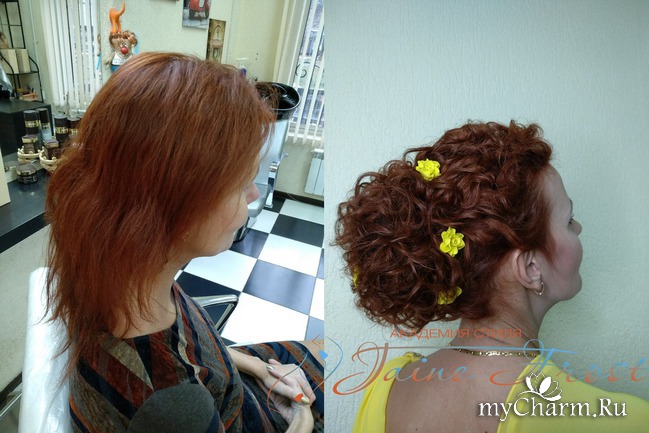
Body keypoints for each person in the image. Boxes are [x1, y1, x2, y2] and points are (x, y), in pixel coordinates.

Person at [45, 52, 323, 433]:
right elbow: (177, 382)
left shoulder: (123, 273)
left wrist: (258, 367)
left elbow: (195, 357)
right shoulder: (173, 408)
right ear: (179, 208)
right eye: (241, 184)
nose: (254, 194)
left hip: (236, 375)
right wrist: (303, 415)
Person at [335, 121, 649, 432]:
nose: (578, 228)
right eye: (569, 220)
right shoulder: (624, 421)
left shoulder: (385, 390)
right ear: (530, 268)